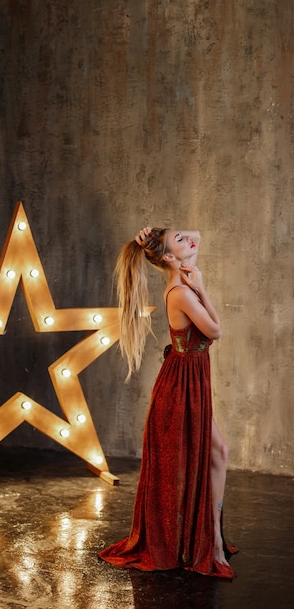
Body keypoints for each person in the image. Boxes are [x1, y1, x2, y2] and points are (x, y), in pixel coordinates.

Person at [98, 226, 237, 579]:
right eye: (180, 240)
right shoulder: (181, 293)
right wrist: (201, 285)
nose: (192, 237)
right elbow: (216, 331)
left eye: (186, 234)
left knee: (217, 452)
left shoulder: (184, 283)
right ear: (170, 258)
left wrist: (160, 239)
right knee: (208, 455)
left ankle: (213, 537)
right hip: (180, 387)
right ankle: (211, 544)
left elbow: (199, 236)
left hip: (190, 380)